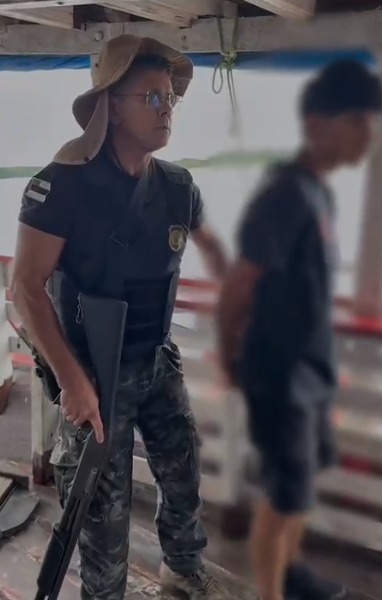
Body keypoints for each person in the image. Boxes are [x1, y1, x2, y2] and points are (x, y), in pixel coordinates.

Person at [11, 35, 229, 600]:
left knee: (183, 470)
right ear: (111, 106)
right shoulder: (60, 186)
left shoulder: (177, 186)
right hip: (94, 370)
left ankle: (181, 566)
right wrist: (72, 381)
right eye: (151, 98)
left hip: (156, 357)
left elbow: (217, 254)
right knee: (101, 510)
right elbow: (25, 289)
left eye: (171, 98)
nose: (166, 109)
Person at [217, 59, 382, 600]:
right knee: (281, 495)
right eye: (357, 120)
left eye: (370, 122)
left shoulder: (318, 193)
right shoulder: (284, 195)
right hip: (280, 376)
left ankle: (291, 575)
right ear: (317, 123)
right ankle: (269, 591)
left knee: (302, 484)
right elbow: (237, 290)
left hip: (311, 371)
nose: (368, 134)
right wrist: (229, 360)